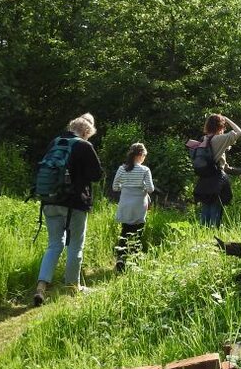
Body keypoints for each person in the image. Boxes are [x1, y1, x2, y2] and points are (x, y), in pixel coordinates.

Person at [34, 113, 103, 306]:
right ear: (86, 131)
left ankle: (41, 286)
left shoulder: (55, 142)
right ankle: (73, 287)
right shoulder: (84, 145)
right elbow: (97, 174)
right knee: (75, 246)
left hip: (49, 201)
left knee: (54, 244)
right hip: (74, 204)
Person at [191, 114, 241, 227]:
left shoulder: (203, 139)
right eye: (223, 126)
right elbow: (239, 132)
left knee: (205, 208)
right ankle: (213, 234)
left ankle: (203, 233)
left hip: (204, 178)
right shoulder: (219, 138)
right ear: (220, 126)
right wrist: (227, 119)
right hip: (216, 178)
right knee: (216, 207)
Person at [112, 143, 154, 273]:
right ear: (140, 155)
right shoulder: (145, 170)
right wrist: (141, 188)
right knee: (137, 233)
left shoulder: (121, 168)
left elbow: (115, 187)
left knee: (124, 231)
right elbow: (151, 189)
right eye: (144, 156)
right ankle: (134, 260)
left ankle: (120, 259)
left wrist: (125, 187)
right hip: (139, 205)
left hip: (125, 204)